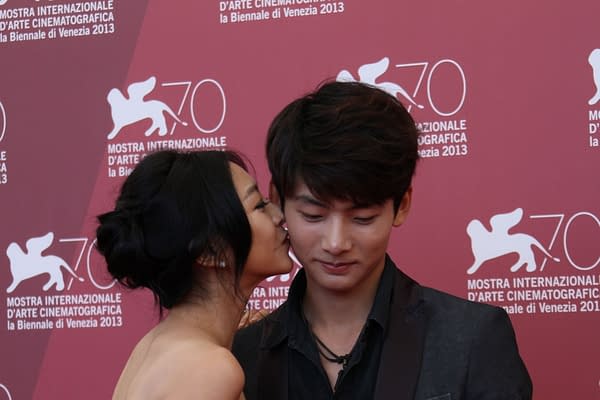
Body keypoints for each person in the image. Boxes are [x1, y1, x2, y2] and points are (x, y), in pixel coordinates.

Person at [232, 81, 532, 399]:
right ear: (278, 200)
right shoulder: (241, 356)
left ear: (401, 205)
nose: (336, 243)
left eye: (362, 218)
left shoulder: (473, 339)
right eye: (313, 216)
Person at [96, 150, 292, 400]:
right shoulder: (211, 368)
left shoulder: (159, 345)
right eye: (259, 206)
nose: (279, 215)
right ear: (211, 251)